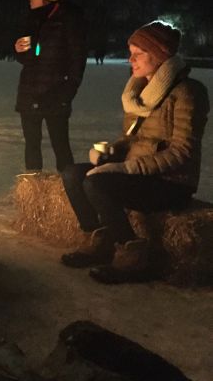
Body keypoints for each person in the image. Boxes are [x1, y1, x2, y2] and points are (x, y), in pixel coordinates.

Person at [59, 22, 209, 284]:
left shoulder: (188, 92)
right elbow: (132, 138)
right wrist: (112, 153)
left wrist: (125, 168)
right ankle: (100, 239)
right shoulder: (139, 93)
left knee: (96, 182)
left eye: (138, 53)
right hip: (137, 172)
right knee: (72, 173)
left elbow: (182, 152)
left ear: (159, 55)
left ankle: (134, 255)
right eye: (130, 52)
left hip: (170, 182)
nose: (130, 60)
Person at [14, 0, 86, 173]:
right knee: (31, 145)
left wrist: (66, 93)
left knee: (61, 146)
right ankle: (33, 194)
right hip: (30, 93)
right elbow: (27, 58)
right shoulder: (31, 19)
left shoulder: (69, 20)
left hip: (56, 94)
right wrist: (19, 50)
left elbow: (77, 61)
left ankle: (69, 190)